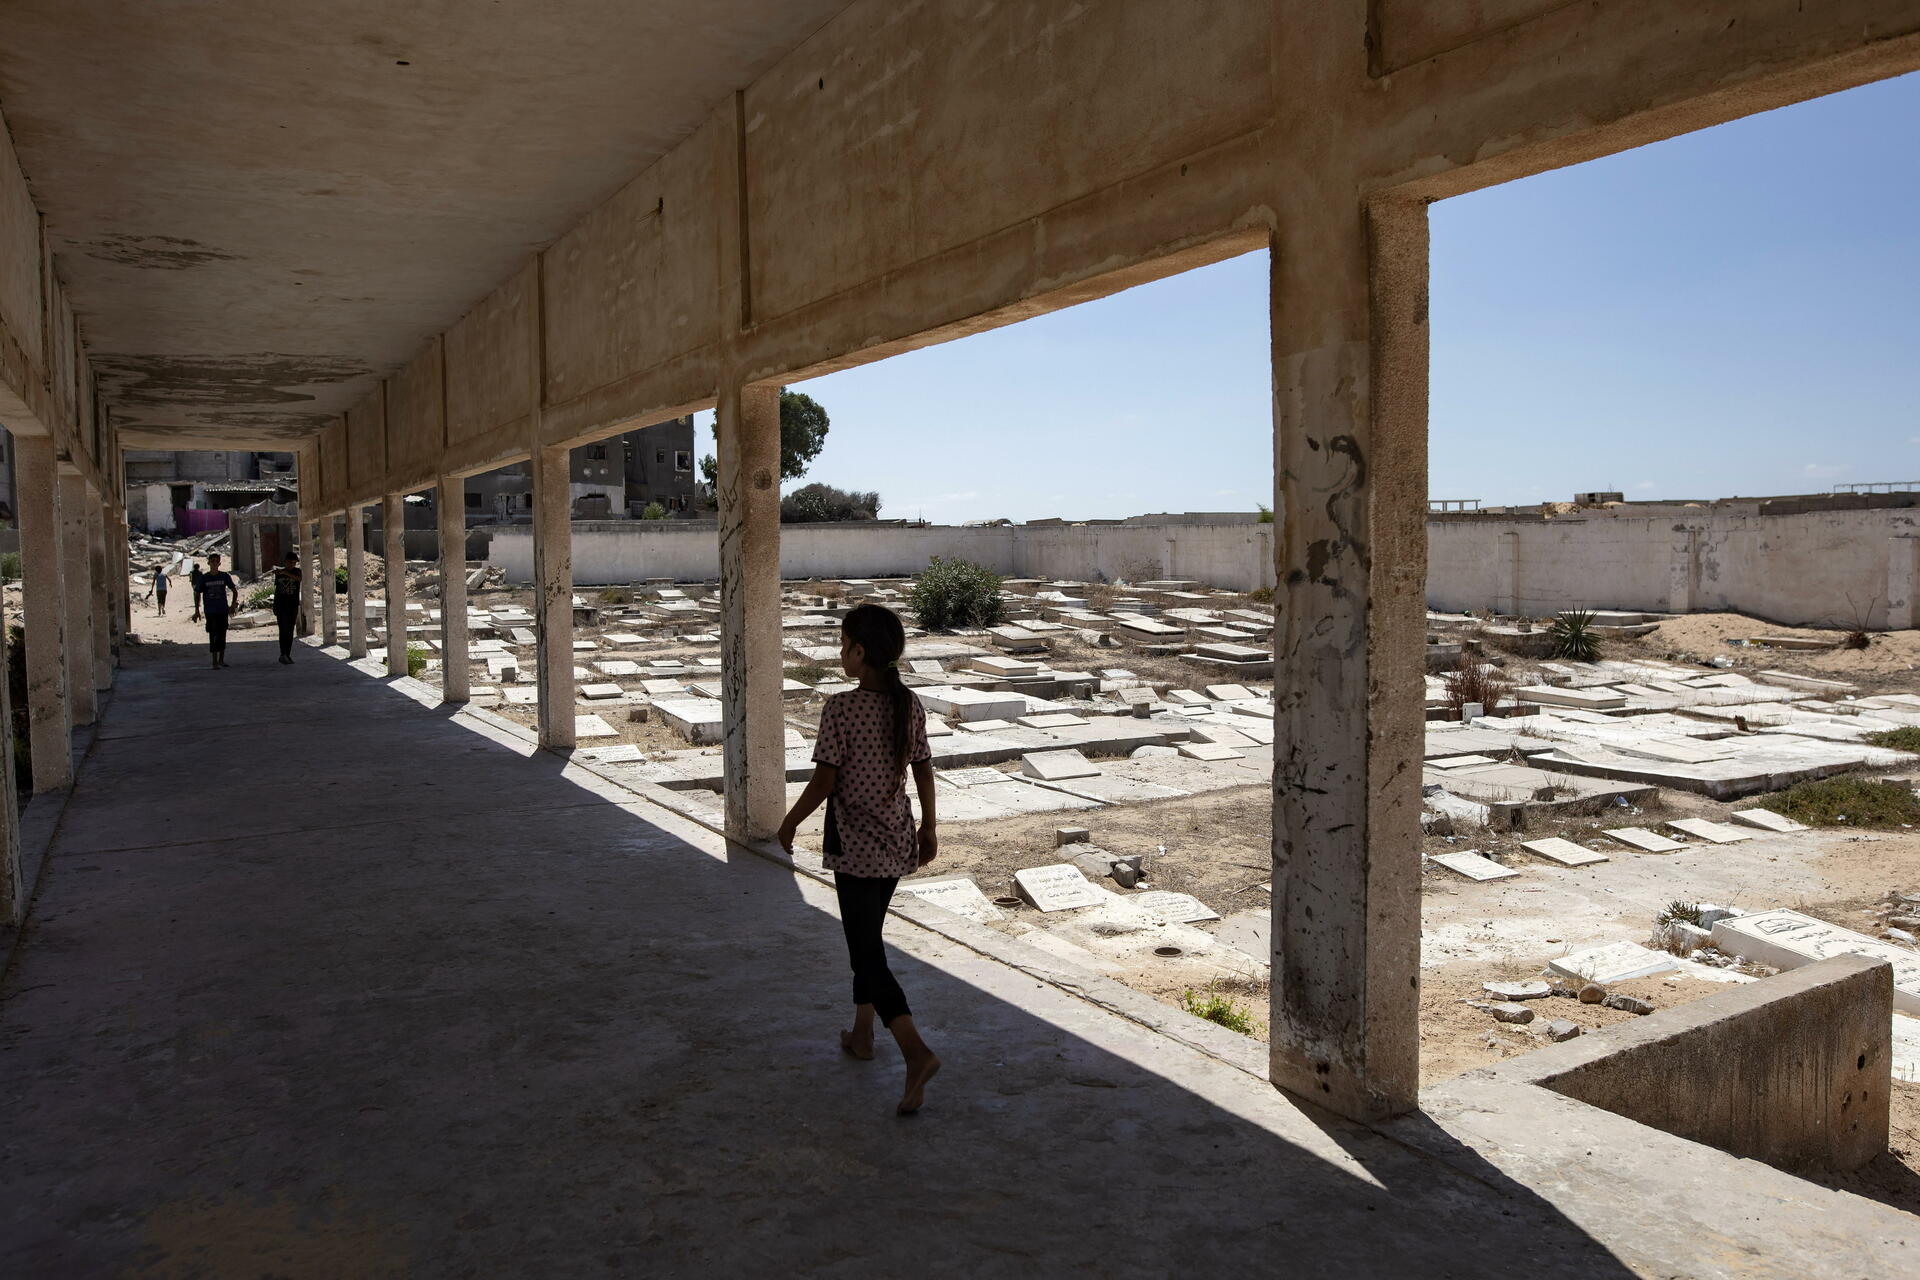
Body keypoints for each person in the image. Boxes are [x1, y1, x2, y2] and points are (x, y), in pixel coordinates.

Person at [778, 603, 941, 1115]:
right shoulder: (908, 703)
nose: (839, 652)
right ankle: (863, 1033)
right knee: (868, 938)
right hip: (895, 842)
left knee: (865, 952)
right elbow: (924, 769)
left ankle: (914, 1049)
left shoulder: (841, 709)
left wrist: (788, 822)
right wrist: (929, 827)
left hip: (854, 846)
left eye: (843, 643)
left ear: (860, 652)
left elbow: (825, 781)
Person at [198, 552, 238, 668]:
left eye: (216, 561)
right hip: (210, 611)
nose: (214, 563)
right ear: (208, 563)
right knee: (213, 634)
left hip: (222, 610)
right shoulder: (204, 578)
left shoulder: (224, 576)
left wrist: (232, 606)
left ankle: (221, 659)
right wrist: (197, 610)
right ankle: (214, 661)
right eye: (212, 561)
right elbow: (197, 593)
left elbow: (234, 591)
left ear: (219, 563)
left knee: (222, 634)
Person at [270, 551, 302, 664]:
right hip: (281, 605)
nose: (292, 565)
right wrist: (275, 605)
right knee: (283, 630)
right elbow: (277, 590)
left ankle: (287, 654)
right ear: (286, 562)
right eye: (290, 562)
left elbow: (298, 579)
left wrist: (284, 572)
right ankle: (283, 653)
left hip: (292, 605)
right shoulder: (280, 574)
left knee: (289, 631)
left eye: (294, 563)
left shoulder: (297, 572)